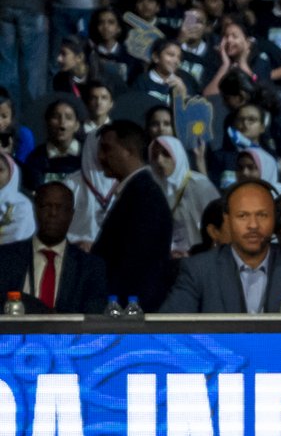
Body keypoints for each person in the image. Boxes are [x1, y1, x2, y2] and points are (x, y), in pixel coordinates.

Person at [159, 180, 281, 313]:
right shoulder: (198, 270)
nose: (253, 225)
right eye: (243, 216)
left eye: (262, 215)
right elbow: (169, 331)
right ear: (227, 221)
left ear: (275, 220)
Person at [89, 120, 175, 309]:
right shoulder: (137, 191)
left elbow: (136, 264)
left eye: (107, 148)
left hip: (130, 314)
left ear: (130, 150)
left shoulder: (144, 195)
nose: (101, 157)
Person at [0, 180, 106, 310]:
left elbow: (93, 316)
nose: (53, 213)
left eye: (60, 207)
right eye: (46, 206)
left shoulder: (90, 268)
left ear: (71, 215)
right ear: (35, 210)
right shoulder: (5, 259)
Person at [148, 133, 221, 257]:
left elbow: (218, 225)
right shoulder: (150, 189)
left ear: (178, 155)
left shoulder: (199, 185)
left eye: (166, 154)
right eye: (154, 156)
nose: (159, 160)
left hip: (199, 258)